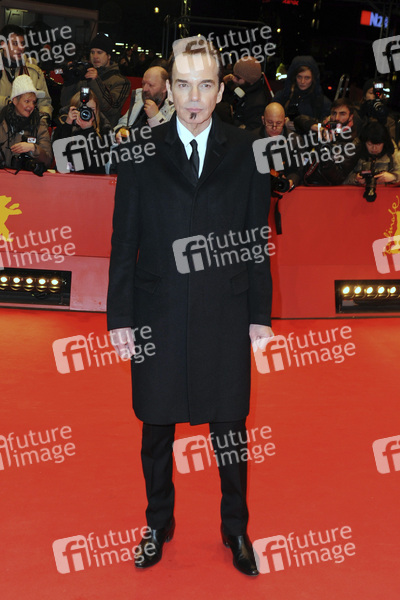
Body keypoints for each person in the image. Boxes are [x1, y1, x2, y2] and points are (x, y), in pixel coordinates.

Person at [107, 38, 273, 576]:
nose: (194, 97)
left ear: (221, 90)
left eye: (205, 85)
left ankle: (236, 529)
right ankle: (158, 523)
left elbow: (256, 238)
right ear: (169, 90)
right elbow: (124, 241)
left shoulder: (248, 150)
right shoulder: (140, 152)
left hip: (225, 312)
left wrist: (260, 315)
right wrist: (120, 317)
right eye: (183, 85)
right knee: (155, 427)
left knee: (231, 430)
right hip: (157, 313)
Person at [60, 33, 130, 128]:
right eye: (92, 52)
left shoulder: (121, 81)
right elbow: (65, 103)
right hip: (78, 128)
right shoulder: (83, 76)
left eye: (99, 52)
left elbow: (110, 109)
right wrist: (69, 81)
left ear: (109, 56)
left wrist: (95, 81)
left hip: (103, 130)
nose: (95, 56)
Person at [302, 98, 362, 186]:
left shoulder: (354, 143)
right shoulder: (323, 127)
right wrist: (315, 127)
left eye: (342, 114)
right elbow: (299, 120)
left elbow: (338, 178)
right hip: (306, 181)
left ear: (351, 117)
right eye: (334, 113)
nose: (337, 118)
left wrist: (326, 149)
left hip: (327, 187)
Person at [0, 25, 53, 123]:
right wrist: (9, 102)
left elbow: (45, 103)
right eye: (15, 43)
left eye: (22, 43)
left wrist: (43, 121)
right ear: (3, 45)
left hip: (27, 128)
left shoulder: (34, 72)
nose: (20, 48)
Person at [0, 74, 52, 170]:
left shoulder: (40, 125)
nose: (31, 106)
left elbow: (48, 161)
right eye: (27, 101)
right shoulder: (2, 122)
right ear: (15, 101)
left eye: (34, 102)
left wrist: (34, 148)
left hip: (29, 178)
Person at [53, 89, 112, 174]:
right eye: (83, 110)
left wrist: (89, 131)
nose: (87, 113)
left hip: (92, 177)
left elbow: (100, 161)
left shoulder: (104, 129)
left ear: (97, 110)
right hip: (67, 177)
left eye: (92, 109)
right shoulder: (64, 126)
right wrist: (67, 125)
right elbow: (59, 155)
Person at [274, 55, 331, 133]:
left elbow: (327, 128)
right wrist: (283, 122)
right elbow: (269, 119)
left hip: (311, 139)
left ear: (313, 78)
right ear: (294, 77)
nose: (302, 81)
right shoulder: (283, 96)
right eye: (299, 77)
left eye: (307, 78)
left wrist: (309, 125)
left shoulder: (323, 102)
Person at [115, 66, 174, 135]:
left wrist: (155, 116)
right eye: (143, 84)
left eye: (150, 85)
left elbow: (170, 137)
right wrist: (120, 131)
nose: (145, 89)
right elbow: (121, 124)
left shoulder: (174, 110)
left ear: (165, 87)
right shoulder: (140, 100)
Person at [345, 121, 400, 186]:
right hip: (359, 190)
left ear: (384, 143)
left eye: (378, 144)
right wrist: (355, 179)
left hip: (386, 190)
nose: (374, 148)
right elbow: (342, 178)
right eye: (370, 144)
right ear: (364, 143)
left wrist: (394, 177)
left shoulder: (392, 152)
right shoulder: (355, 150)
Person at [223, 56, 271, 130]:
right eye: (233, 74)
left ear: (250, 80)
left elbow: (251, 131)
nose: (233, 79)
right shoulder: (241, 86)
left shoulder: (257, 104)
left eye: (238, 78)